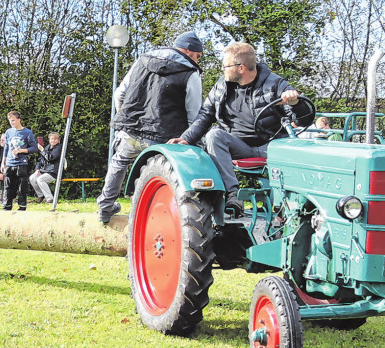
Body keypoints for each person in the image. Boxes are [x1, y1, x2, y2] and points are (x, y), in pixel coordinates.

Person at [172, 41, 311, 216]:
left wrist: (296, 103)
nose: (223, 69)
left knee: (294, 149)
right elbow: (205, 114)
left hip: (271, 147)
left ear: (241, 67)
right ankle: (232, 195)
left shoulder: (275, 84)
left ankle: (291, 208)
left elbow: (303, 120)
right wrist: (186, 138)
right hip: (239, 146)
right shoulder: (222, 86)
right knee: (214, 135)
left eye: (226, 65)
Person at [96, 31, 204, 223]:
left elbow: (119, 93)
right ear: (189, 51)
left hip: (131, 130)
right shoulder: (191, 73)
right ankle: (166, 217)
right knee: (166, 177)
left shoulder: (143, 61)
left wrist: (126, 120)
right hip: (165, 138)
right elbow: (194, 114)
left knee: (119, 162)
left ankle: (105, 208)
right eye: (198, 55)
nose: (197, 60)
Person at [2, 111, 38, 211]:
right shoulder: (8, 132)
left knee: (22, 186)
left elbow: (34, 148)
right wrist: (3, 162)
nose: (11, 123)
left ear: (19, 120)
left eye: (13, 120)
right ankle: (7, 205)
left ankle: (22, 206)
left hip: (22, 162)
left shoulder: (27, 132)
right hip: (10, 162)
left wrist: (22, 150)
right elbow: (6, 148)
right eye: (10, 121)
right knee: (8, 185)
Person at [29, 131, 62, 204]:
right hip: (44, 170)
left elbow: (51, 158)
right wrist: (37, 169)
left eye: (55, 139)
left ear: (58, 140)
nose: (53, 140)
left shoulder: (59, 148)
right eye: (52, 139)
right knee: (32, 178)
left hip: (54, 172)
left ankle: (50, 199)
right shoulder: (47, 147)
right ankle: (41, 195)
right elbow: (40, 160)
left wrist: (42, 150)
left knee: (40, 179)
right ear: (49, 140)